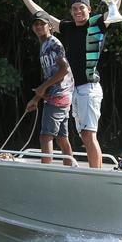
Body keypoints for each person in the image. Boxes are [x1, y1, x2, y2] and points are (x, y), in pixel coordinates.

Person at [14, 0, 117, 168]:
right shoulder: (67, 28)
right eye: (74, 8)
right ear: (71, 11)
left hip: (90, 87)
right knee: (83, 135)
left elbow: (114, 10)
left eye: (82, 8)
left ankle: (96, 177)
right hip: (75, 91)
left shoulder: (96, 25)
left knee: (88, 134)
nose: (78, 11)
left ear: (89, 10)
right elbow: (42, 14)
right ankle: (88, 173)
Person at [25, 10, 74, 166]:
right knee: (61, 137)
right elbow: (49, 77)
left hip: (58, 95)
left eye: (42, 24)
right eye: (36, 24)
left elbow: (64, 69)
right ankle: (69, 169)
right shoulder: (44, 45)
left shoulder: (53, 43)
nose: (39, 27)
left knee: (45, 136)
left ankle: (45, 171)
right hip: (59, 95)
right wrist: (36, 98)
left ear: (50, 26)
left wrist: (42, 87)